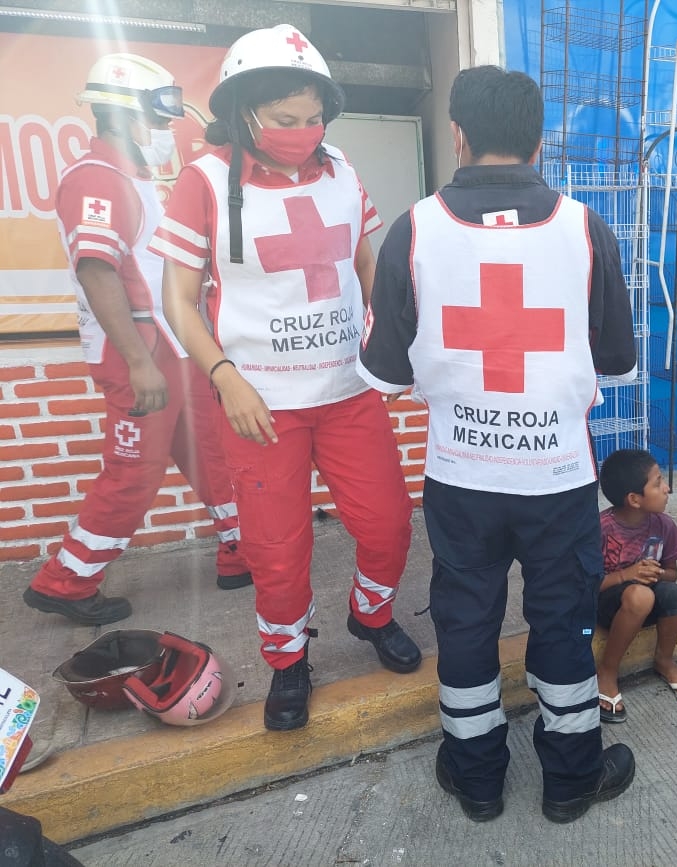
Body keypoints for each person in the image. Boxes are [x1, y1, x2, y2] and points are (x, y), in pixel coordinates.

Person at [358, 66, 638, 824]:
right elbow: (616, 359)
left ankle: (477, 778)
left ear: (457, 135)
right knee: (562, 621)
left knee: (467, 621)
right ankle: (570, 779)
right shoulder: (586, 229)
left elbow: (382, 368)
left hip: (461, 477)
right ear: (539, 140)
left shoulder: (412, 231)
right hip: (558, 479)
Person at [153, 25, 418, 733]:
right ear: (244, 113)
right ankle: (288, 660)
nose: (305, 132)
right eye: (285, 120)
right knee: (276, 549)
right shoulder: (204, 181)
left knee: (389, 523)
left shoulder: (343, 172)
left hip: (347, 392)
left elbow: (364, 263)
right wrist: (223, 374)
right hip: (260, 405)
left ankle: (371, 614)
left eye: (314, 119)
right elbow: (178, 298)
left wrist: (381, 332)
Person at [24, 53, 250, 628]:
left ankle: (240, 543)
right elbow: (97, 270)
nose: (168, 128)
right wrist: (138, 363)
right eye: (160, 115)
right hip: (142, 357)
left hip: (176, 349)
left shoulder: (134, 179)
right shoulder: (95, 180)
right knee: (133, 473)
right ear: (125, 115)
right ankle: (66, 580)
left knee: (209, 452)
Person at [595, 449, 677, 724]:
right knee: (639, 595)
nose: (667, 488)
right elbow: (585, 585)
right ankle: (607, 672)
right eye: (657, 483)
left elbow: (672, 574)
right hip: (606, 604)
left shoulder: (664, 525)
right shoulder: (601, 529)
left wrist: (655, 574)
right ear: (634, 499)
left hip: (644, 601)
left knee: (674, 594)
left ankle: (665, 660)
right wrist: (627, 575)